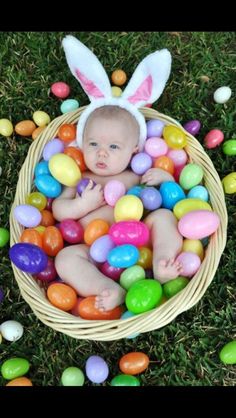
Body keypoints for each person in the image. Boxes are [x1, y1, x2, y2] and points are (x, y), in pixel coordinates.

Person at [53, 105, 183, 312]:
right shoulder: (79, 180)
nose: (102, 152)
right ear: (82, 145)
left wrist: (165, 180)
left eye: (114, 147)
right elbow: (58, 210)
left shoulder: (136, 175)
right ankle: (109, 288)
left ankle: (162, 263)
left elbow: (170, 199)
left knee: (164, 216)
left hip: (142, 241)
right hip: (92, 249)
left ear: (135, 150)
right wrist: (82, 204)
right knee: (65, 259)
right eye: (93, 144)